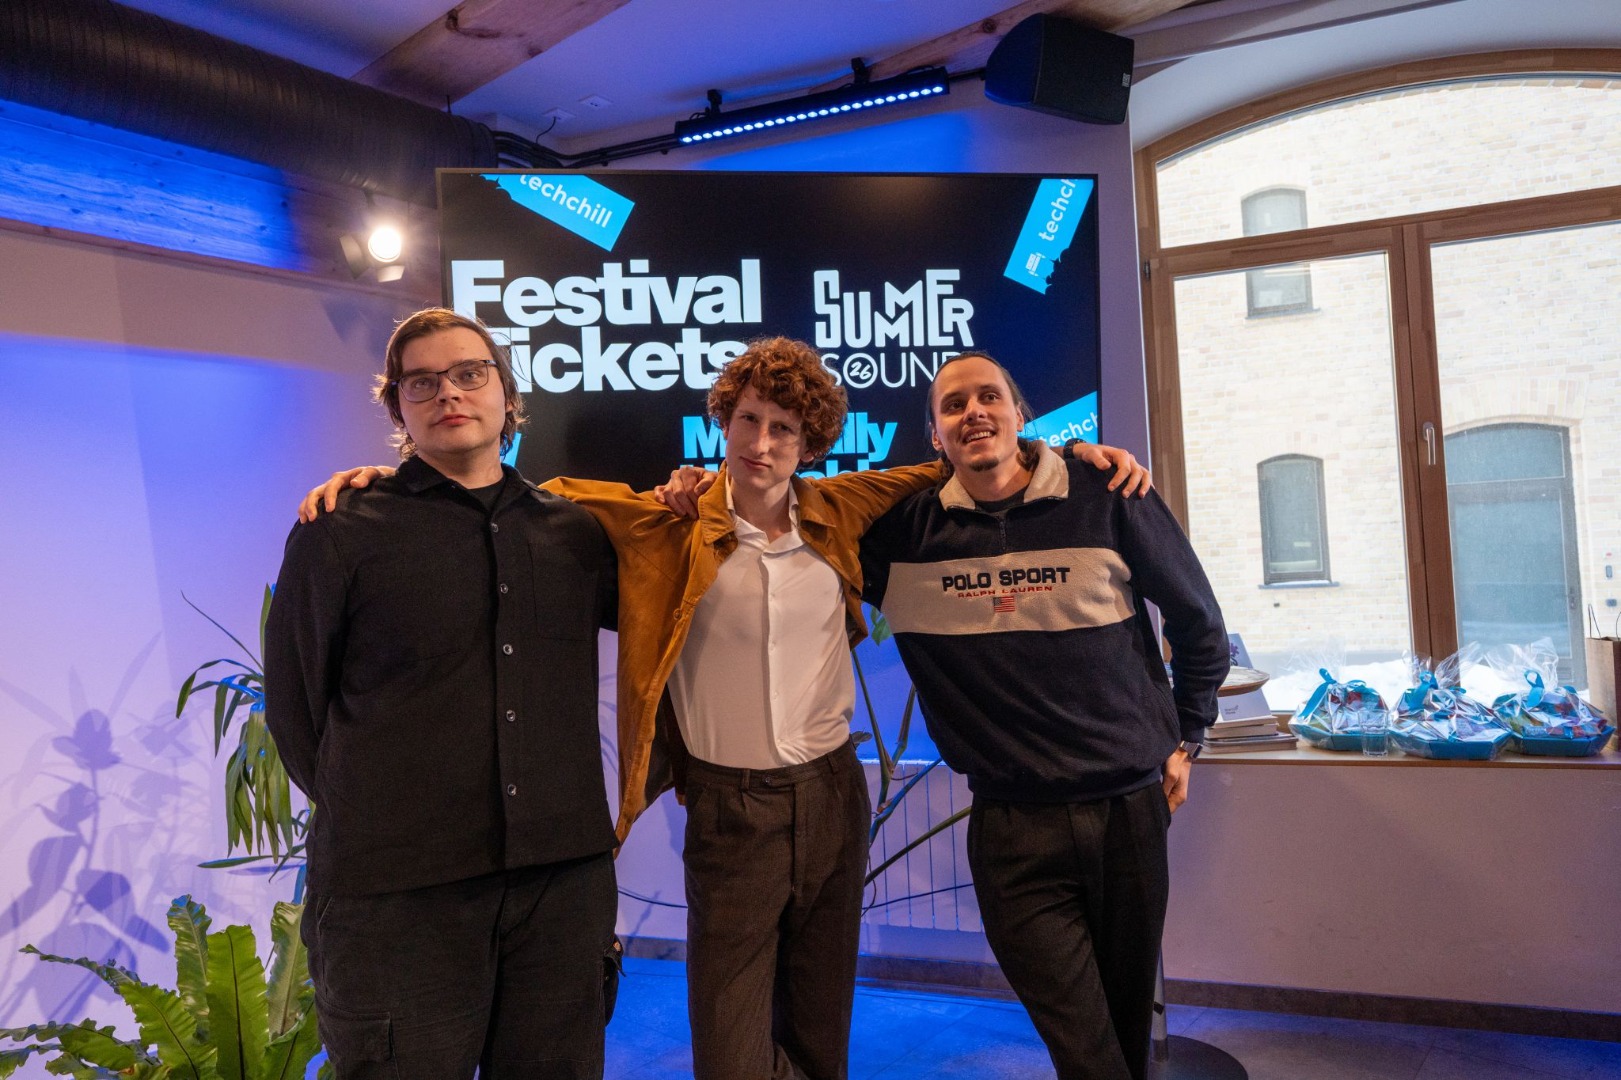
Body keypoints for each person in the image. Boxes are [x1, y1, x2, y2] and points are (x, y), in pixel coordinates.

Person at [298, 337, 1151, 1080]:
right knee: (731, 1049)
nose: (762, 443)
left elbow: (958, 461)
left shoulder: (840, 511)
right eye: (747, 420)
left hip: (832, 797)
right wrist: (396, 480)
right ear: (723, 422)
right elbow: (521, 498)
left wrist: (1074, 457)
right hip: (728, 810)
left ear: (811, 444)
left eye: (783, 429)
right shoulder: (663, 524)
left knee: (820, 1029)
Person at [265, 308, 620, 1080]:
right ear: (397, 407)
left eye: (468, 374)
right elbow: (294, 704)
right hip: (397, 898)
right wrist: (379, 813)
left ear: (507, 395)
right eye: (420, 383)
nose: (447, 393)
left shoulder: (576, 534)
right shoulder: (340, 529)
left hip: (560, 885)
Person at [857, 351, 1229, 1080]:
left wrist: (1187, 736)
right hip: (1011, 829)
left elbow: (1199, 624)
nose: (973, 412)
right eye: (952, 405)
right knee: (1084, 1047)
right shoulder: (901, 536)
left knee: (1124, 1035)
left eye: (988, 396)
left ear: (1019, 415)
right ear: (933, 437)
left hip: (1128, 814)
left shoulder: (1109, 492)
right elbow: (795, 519)